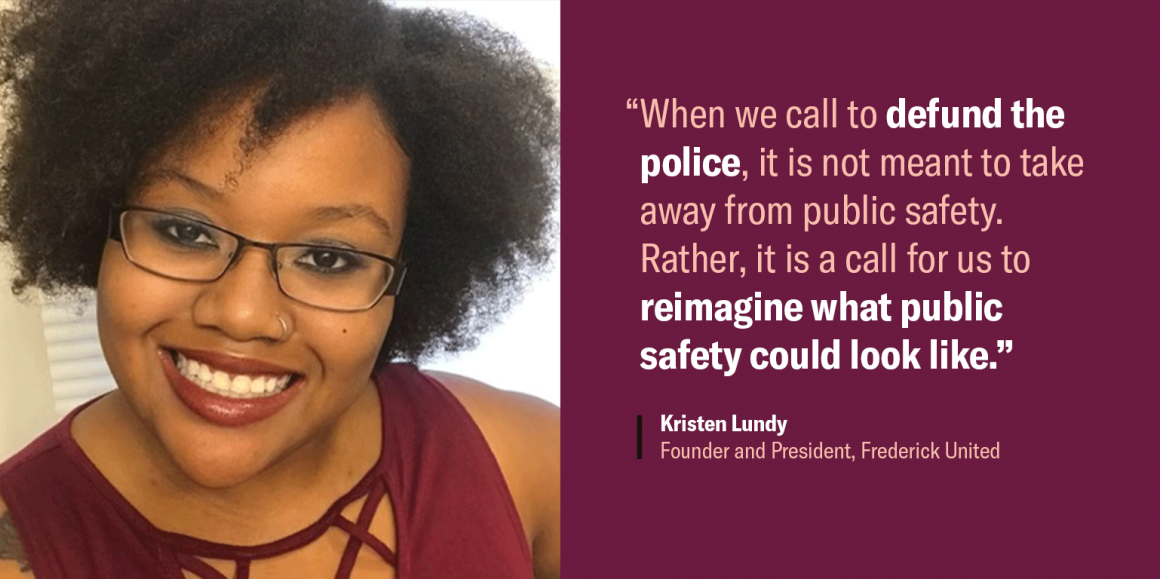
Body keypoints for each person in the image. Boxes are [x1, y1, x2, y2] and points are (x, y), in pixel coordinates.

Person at [0, 1, 560, 578]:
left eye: (328, 257)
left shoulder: (530, 462)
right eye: (185, 231)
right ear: (92, 223)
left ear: (406, 277)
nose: (242, 315)